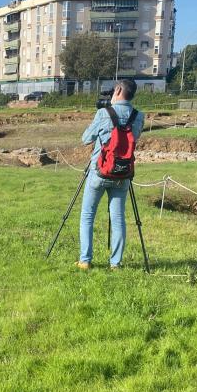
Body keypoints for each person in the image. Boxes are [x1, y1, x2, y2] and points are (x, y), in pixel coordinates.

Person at [77, 79, 144, 270]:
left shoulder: (103, 113)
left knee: (88, 215)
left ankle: (85, 260)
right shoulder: (138, 116)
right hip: (123, 173)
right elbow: (134, 137)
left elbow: (85, 139)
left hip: (99, 172)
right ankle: (115, 263)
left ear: (119, 90)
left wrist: (104, 116)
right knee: (118, 217)